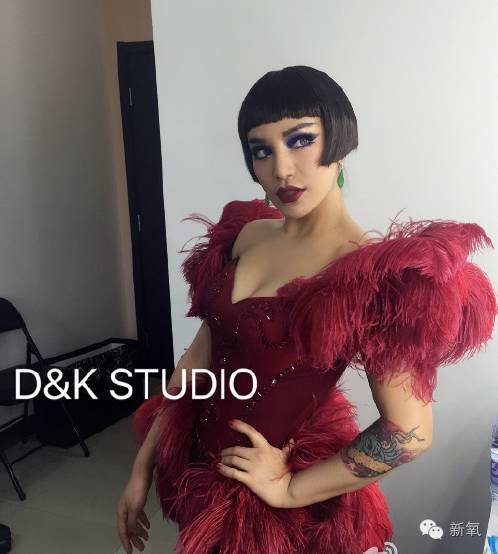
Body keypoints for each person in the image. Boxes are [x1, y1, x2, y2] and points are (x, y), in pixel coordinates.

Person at [117, 65, 498, 554]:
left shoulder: (370, 277)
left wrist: (290, 490)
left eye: (300, 140)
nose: (281, 169)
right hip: (202, 476)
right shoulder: (247, 235)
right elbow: (200, 357)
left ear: (340, 139)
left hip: (282, 519)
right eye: (261, 150)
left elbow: (409, 432)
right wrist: (143, 465)